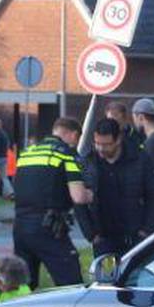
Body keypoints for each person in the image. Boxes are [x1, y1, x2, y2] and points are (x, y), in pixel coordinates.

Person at [13, 116, 93, 288]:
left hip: (20, 227)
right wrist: (92, 194)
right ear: (72, 134)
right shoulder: (66, 154)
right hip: (49, 228)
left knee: (23, 286)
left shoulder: (27, 152)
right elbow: (78, 196)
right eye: (77, 138)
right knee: (70, 284)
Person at [80, 117, 154, 257]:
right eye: (97, 143)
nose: (101, 149)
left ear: (118, 139)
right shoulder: (88, 162)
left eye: (106, 144)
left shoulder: (140, 159)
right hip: (103, 238)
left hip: (134, 236)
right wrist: (91, 234)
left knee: (134, 277)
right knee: (106, 278)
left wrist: (146, 229)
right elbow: (80, 201)